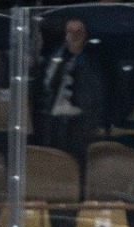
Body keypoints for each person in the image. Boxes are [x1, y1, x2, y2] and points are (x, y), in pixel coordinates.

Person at [38, 17, 109, 158]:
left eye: (79, 32)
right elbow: (44, 89)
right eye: (70, 31)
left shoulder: (94, 62)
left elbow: (97, 95)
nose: (74, 36)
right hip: (53, 124)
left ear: (85, 35)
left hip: (81, 125)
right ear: (65, 34)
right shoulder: (55, 58)